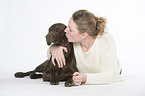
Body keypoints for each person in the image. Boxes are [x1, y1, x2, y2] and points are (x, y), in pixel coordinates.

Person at [47, 10, 123, 85]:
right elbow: (51, 58)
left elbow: (108, 76)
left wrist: (84, 78)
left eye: (70, 29)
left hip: (111, 72)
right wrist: (53, 48)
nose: (65, 30)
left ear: (84, 35)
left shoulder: (106, 40)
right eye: (67, 27)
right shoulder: (72, 39)